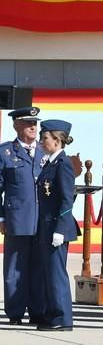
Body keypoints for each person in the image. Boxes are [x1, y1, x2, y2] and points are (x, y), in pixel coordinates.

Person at [0, 107, 45, 326]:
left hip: (42, 221)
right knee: (15, 268)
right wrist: (1, 218)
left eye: (35, 123)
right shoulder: (6, 152)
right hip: (16, 219)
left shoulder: (47, 151)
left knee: (39, 267)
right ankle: (15, 312)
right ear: (16, 125)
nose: (33, 127)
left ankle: (38, 310)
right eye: (28, 123)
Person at [34, 119, 79, 331]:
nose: (42, 142)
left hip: (56, 227)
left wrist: (60, 229)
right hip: (46, 226)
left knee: (56, 274)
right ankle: (53, 314)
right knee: (48, 273)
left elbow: (66, 199)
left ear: (57, 140)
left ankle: (62, 318)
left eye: (45, 139)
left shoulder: (63, 164)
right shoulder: (50, 162)